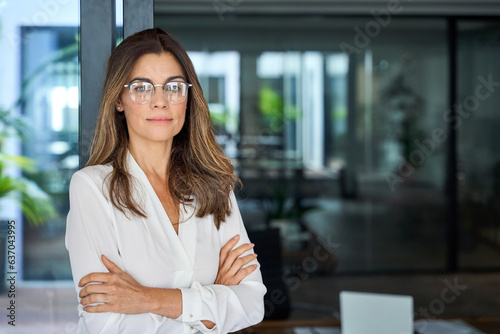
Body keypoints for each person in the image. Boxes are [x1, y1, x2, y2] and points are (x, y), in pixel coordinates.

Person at [65, 28, 266, 334]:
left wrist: (146, 299)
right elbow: (106, 324)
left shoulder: (215, 185)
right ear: (119, 99)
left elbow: (251, 304)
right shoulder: (92, 188)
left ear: (187, 98)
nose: (160, 102)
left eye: (173, 87)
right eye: (142, 88)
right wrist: (214, 299)